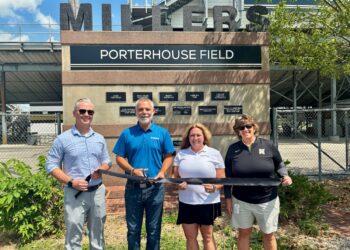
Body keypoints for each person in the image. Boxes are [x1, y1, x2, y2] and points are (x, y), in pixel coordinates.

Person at [46, 98, 112, 250]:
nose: (86, 114)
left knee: (98, 233)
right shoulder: (62, 139)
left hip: (97, 192)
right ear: (75, 113)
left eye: (90, 112)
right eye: (82, 111)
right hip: (74, 192)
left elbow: (107, 161)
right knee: (74, 233)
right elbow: (51, 165)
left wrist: (102, 168)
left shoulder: (99, 139)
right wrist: (70, 181)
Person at [113, 97, 175, 250]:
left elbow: (169, 155)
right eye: (140, 109)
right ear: (135, 112)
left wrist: (162, 172)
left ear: (153, 112)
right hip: (133, 189)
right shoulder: (127, 134)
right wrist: (133, 170)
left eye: (147, 109)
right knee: (133, 230)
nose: (144, 112)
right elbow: (119, 157)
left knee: (154, 230)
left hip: (155, 189)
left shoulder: (162, 133)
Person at [224, 114, 292, 250]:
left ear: (254, 128)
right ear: (237, 131)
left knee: (268, 235)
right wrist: (228, 199)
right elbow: (228, 177)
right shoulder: (233, 149)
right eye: (241, 127)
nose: (245, 129)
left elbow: (279, 164)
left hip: (267, 200)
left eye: (248, 126)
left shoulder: (268, 145)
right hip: (241, 200)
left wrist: (285, 175)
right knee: (243, 233)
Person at [172, 123, 225, 250]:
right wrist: (178, 185)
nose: (195, 138)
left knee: (207, 237)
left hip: (208, 201)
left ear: (204, 137)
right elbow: (174, 177)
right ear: (188, 138)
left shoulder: (214, 153)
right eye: (192, 135)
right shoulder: (181, 154)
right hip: (187, 201)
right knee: (190, 237)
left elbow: (222, 178)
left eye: (198, 135)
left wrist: (214, 187)